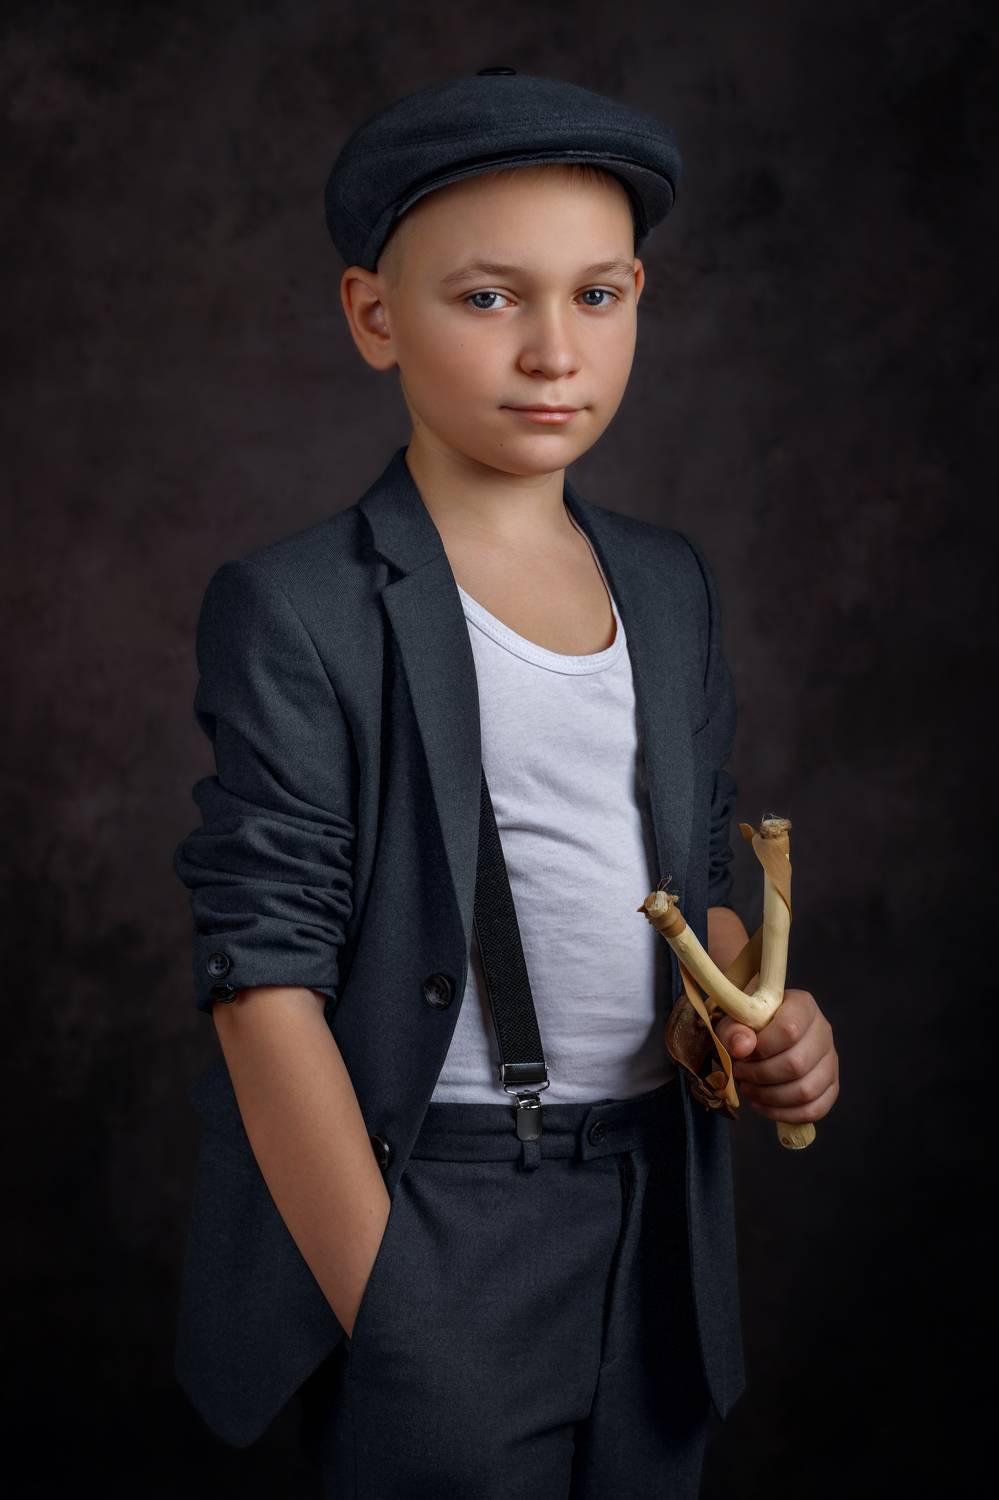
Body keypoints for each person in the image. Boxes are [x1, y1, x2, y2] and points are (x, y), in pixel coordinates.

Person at [172, 67, 839, 1497]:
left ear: (638, 296)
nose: (553, 351)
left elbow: (688, 890)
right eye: (489, 298)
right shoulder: (300, 606)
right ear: (374, 317)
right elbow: (261, 979)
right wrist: (391, 1309)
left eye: (595, 295)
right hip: (434, 1206)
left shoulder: (668, 584)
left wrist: (762, 1013)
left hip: (656, 1214)